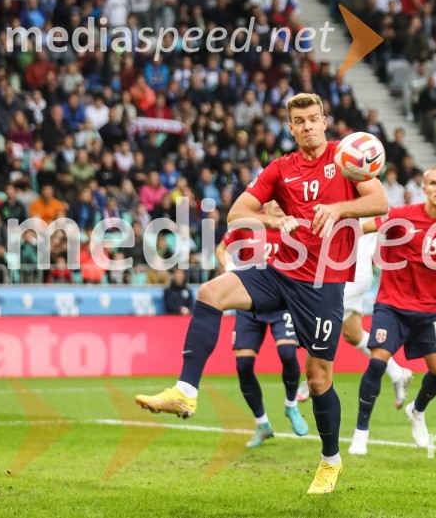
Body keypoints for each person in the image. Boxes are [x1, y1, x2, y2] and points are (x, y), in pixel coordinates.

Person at [136, 93, 389, 494]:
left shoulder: (346, 159)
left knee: (319, 377)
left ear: (325, 122)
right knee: (209, 292)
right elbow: (238, 212)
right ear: (290, 128)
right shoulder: (280, 168)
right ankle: (185, 392)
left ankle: (330, 460)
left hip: (322, 285)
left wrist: (339, 210)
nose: (307, 126)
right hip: (278, 271)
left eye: (313, 119)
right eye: (299, 121)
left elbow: (380, 203)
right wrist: (276, 220)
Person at [348, 167, 436, 455]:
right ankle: (360, 434)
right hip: (391, 304)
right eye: (432, 184)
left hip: (427, 311)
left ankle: (417, 410)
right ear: (423, 189)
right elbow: (362, 227)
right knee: (377, 361)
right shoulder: (401, 215)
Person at [214, 201, 309, 447]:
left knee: (287, 352)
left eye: (283, 199)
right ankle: (262, 424)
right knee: (243, 364)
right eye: (274, 199)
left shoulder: (295, 226)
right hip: (249, 303)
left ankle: (291, 405)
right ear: (265, 202)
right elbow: (222, 248)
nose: (278, 204)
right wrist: (230, 268)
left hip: (282, 304)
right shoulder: (249, 223)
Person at [340, 229, 414, 409]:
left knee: (323, 315)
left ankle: (315, 379)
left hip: (352, 274)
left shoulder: (367, 204)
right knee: (352, 334)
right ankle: (397, 372)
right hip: (346, 272)